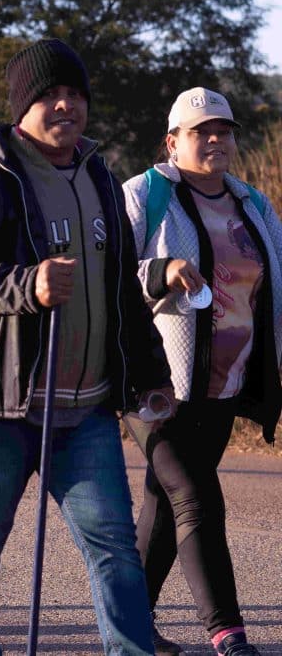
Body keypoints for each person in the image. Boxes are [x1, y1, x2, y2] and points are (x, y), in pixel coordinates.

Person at [0, 38, 174, 655]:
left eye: (74, 94)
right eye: (49, 95)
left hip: (85, 409)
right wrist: (27, 285)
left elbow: (122, 287)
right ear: (22, 107)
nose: (65, 105)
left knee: (114, 546)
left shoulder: (100, 177)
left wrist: (150, 372)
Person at [121, 87, 282, 656]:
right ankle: (227, 631)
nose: (215, 139)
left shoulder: (253, 204)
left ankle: (129, 625)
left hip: (224, 383)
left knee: (166, 502)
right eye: (200, 132)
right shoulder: (145, 195)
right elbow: (105, 274)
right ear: (172, 142)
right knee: (194, 495)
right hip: (154, 384)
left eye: (223, 130)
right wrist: (160, 270)